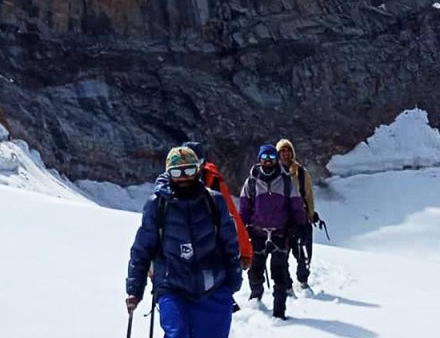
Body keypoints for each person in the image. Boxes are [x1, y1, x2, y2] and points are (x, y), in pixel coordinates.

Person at [126, 146, 243, 338]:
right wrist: (134, 290)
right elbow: (142, 249)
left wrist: (232, 282)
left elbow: (229, 244)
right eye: (176, 171)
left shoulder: (215, 202)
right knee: (178, 334)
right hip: (172, 287)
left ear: (197, 170)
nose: (183, 176)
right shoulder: (157, 204)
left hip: (213, 287)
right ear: (168, 172)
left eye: (189, 170)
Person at [238, 144, 307, 320]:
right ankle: (256, 299)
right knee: (255, 269)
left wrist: (298, 226)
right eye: (264, 158)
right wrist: (241, 231)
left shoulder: (285, 181)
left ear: (276, 159)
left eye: (271, 157)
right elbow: (244, 208)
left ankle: (279, 311)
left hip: (280, 233)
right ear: (259, 160)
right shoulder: (252, 182)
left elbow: (296, 205)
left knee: (279, 271)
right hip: (257, 233)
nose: (268, 161)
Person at [181, 141, 253, 272]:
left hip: (209, 251)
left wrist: (244, 251)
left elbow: (232, 216)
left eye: (196, 163)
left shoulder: (214, 183)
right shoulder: (167, 188)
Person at [276, 138, 317, 289]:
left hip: (300, 217)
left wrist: (310, 214)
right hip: (281, 219)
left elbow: (308, 194)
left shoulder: (301, 172)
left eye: (288, 150)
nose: (286, 154)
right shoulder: (273, 172)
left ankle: (303, 280)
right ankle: (287, 284)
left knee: (302, 250)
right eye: (282, 151)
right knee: (282, 253)